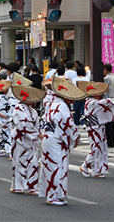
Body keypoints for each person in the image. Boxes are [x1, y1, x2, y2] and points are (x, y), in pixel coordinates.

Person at [38, 77, 84, 206]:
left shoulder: (55, 104)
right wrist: (76, 136)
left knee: (54, 166)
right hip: (55, 139)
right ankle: (53, 195)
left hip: (51, 137)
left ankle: (55, 194)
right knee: (56, 167)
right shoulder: (61, 106)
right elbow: (68, 124)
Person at [10, 78, 44, 194]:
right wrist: (38, 135)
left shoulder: (32, 111)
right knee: (20, 162)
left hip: (31, 140)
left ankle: (31, 185)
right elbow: (24, 124)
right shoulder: (18, 108)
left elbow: (35, 124)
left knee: (33, 162)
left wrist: (37, 134)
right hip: (21, 138)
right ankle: (18, 185)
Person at [77, 81, 114, 178]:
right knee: (96, 148)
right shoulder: (91, 102)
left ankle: (97, 170)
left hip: (98, 127)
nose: (99, 94)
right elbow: (106, 102)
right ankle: (85, 164)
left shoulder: (91, 102)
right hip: (93, 128)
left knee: (101, 147)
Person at [103, 64, 114, 148]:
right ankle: (113, 140)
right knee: (113, 123)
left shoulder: (106, 79)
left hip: (109, 103)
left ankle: (110, 141)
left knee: (108, 124)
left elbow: (106, 92)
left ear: (105, 69)